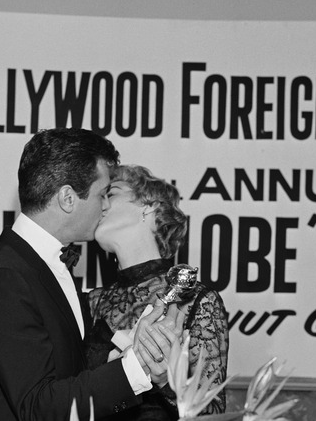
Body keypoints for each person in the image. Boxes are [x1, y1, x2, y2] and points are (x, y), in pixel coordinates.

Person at [0, 129, 177, 421]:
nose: (106, 205)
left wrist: (122, 356)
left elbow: (67, 377)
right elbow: (38, 407)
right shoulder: (4, 280)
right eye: (102, 194)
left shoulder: (42, 266)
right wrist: (136, 368)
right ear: (68, 199)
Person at [86, 164, 230, 420]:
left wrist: (167, 383)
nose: (101, 204)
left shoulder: (195, 299)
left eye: (111, 193)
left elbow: (213, 411)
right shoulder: (93, 301)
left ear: (149, 206)